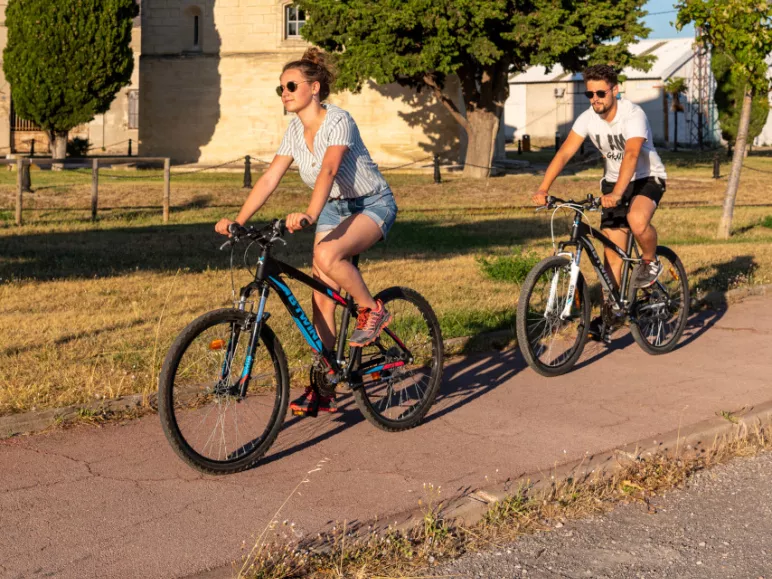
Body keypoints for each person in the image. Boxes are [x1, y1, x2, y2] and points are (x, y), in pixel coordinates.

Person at [215, 48, 398, 414]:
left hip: (371, 203)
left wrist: (310, 214)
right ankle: (325, 384)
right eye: (280, 88)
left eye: (291, 85)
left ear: (314, 88)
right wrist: (238, 220)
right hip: (333, 208)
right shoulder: (295, 131)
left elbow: (330, 170)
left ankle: (371, 309)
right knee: (321, 297)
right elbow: (270, 177)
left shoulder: (338, 120)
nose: (284, 92)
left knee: (326, 256)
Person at [531, 64, 667, 341]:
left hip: (646, 178)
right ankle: (610, 315)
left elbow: (631, 154)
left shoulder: (633, 114)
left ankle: (650, 262)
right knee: (612, 257)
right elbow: (564, 152)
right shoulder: (587, 119)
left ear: (614, 90)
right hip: (612, 184)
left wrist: (618, 193)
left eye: (601, 93)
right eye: (590, 93)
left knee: (637, 221)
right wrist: (544, 188)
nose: (595, 98)